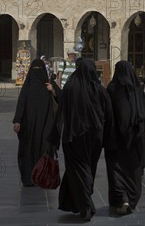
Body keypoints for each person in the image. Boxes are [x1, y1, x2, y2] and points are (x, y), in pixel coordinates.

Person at [49, 58, 115, 222]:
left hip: (73, 137)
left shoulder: (71, 87)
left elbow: (60, 112)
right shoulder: (99, 89)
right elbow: (109, 115)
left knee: (77, 170)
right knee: (89, 169)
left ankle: (85, 206)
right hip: (95, 139)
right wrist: (108, 138)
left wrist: (54, 138)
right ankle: (84, 202)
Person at [105, 61, 145, 215]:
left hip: (115, 139)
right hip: (134, 138)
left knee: (116, 171)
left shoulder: (111, 88)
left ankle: (122, 198)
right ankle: (130, 197)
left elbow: (106, 114)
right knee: (133, 170)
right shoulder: (137, 89)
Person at [13, 58, 60, 187]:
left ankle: (43, 177)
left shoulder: (49, 84)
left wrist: (53, 90)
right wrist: (17, 121)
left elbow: (62, 99)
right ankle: (29, 178)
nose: (37, 72)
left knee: (45, 149)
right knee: (28, 150)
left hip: (46, 126)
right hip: (29, 127)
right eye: (35, 70)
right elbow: (21, 103)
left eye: (40, 70)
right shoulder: (27, 86)